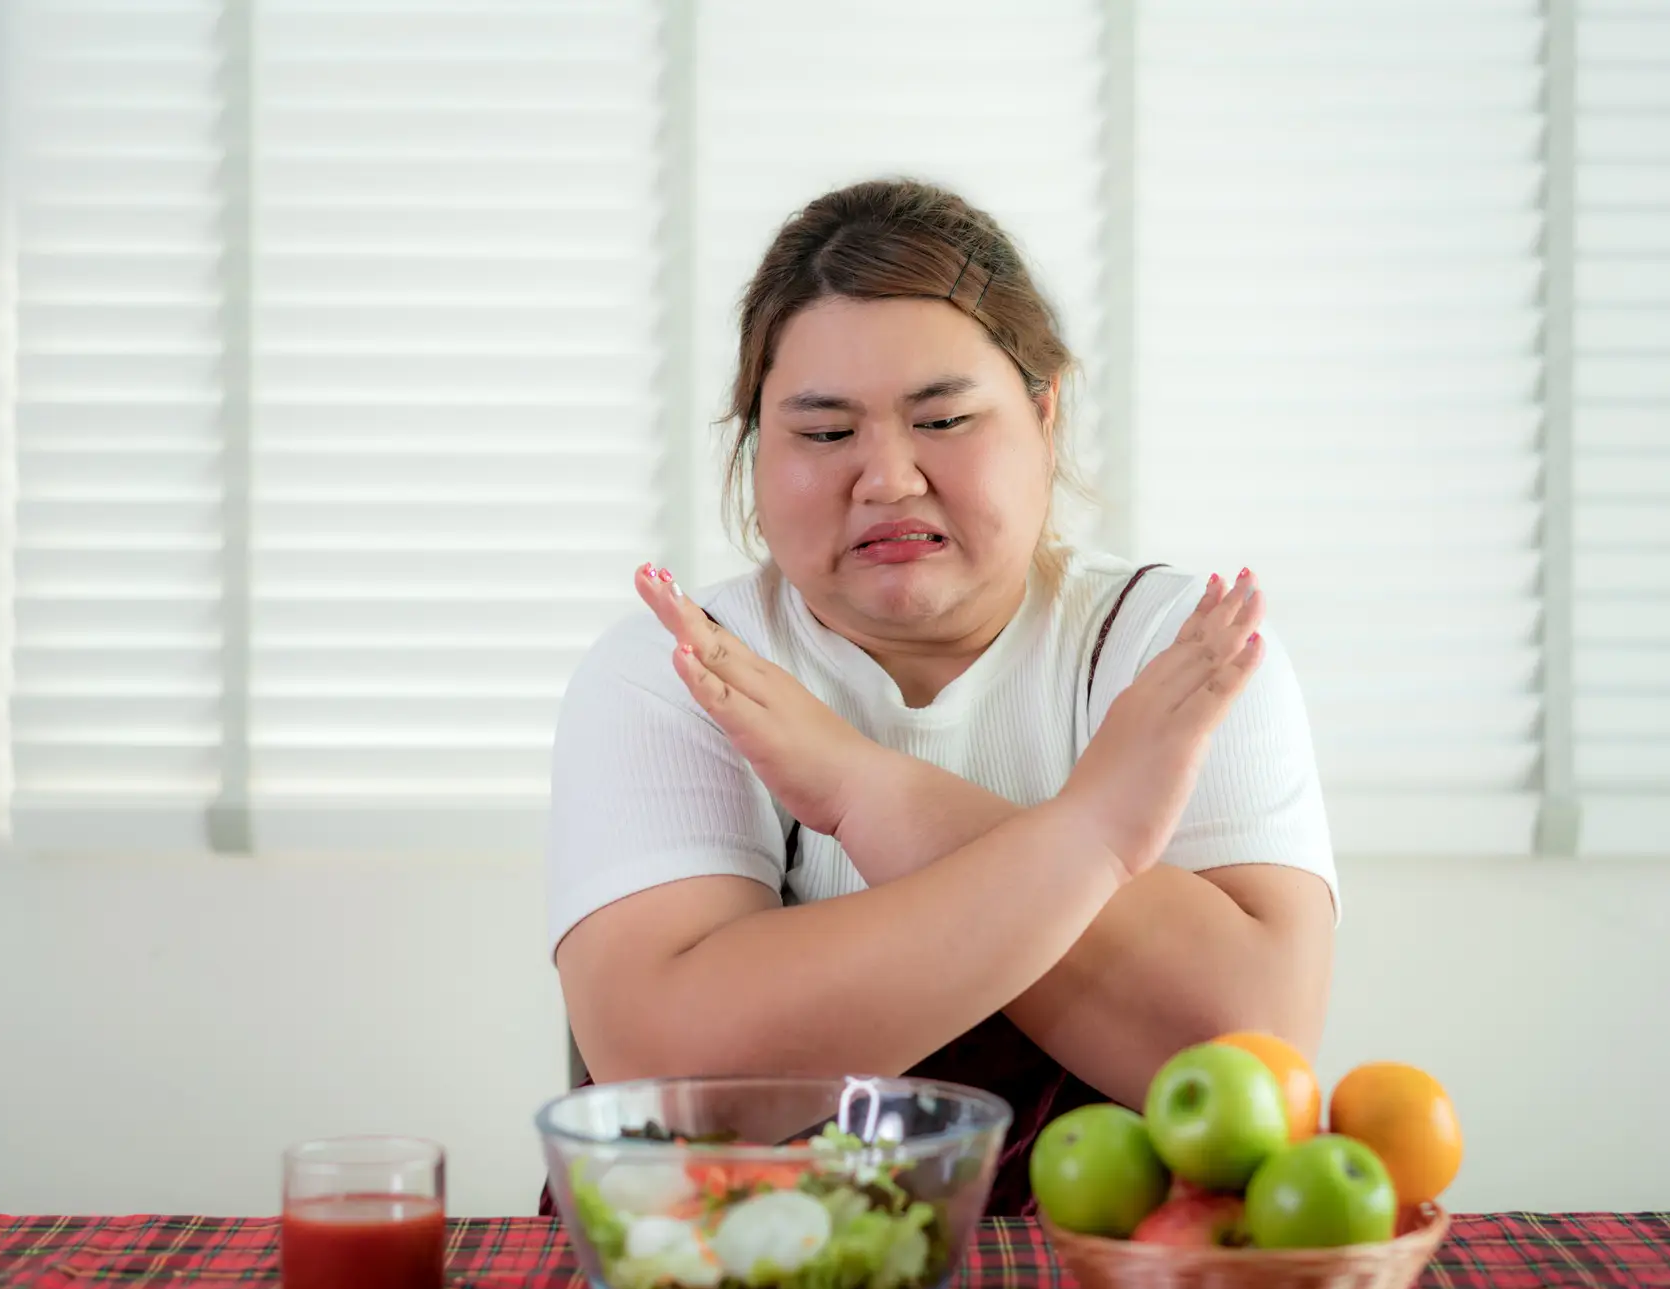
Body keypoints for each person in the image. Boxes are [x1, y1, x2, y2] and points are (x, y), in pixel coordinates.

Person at [545, 178, 1337, 1216]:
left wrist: (861, 787)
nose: (887, 478)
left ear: (1043, 415)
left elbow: (1246, 1047)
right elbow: (674, 1086)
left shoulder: (1168, 649)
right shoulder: (678, 670)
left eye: (945, 418)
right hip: (727, 1288)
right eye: (824, 434)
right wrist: (1090, 836)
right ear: (752, 453)